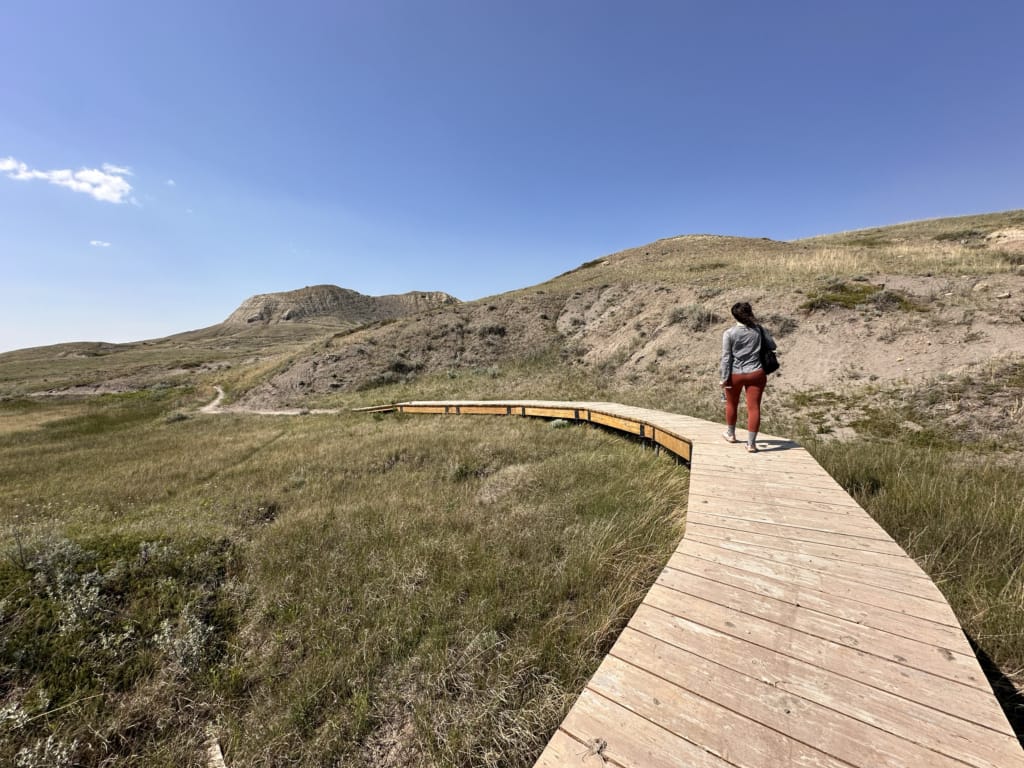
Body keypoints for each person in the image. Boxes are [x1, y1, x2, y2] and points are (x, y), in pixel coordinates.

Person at [720, 302, 776, 452]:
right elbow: (773, 345)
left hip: (736, 374)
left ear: (734, 315)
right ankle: (751, 444)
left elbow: (726, 358)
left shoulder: (729, 333)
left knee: (731, 404)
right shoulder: (758, 329)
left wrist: (723, 378)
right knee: (754, 407)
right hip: (756, 373)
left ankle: (730, 434)